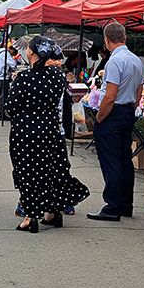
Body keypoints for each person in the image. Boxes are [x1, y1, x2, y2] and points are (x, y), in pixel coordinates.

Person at [7, 36, 90, 234]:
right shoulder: (57, 76)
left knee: (28, 172)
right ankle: (53, 212)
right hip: (51, 131)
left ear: (32, 52)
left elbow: (11, 107)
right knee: (52, 170)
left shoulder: (24, 79)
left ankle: (30, 216)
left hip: (26, 132)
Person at [87, 22, 143, 222]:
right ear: (125, 38)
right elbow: (138, 91)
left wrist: (100, 118)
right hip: (128, 110)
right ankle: (125, 203)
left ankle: (112, 205)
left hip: (114, 111)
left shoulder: (114, 61)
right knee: (125, 159)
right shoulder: (136, 60)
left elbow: (110, 95)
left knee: (111, 161)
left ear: (107, 40)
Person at [0, 41, 18, 120]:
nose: (13, 56)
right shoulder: (6, 54)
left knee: (0, 95)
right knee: (4, 96)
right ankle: (1, 114)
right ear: (12, 50)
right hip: (4, 77)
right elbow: (13, 64)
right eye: (14, 54)